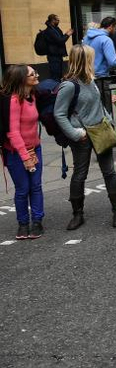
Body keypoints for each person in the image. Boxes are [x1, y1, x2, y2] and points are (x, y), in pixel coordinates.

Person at [54, 44, 116, 230]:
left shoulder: (90, 80)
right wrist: (76, 134)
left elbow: (99, 105)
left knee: (109, 172)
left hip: (101, 131)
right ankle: (77, 214)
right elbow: (59, 114)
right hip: (83, 137)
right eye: (91, 58)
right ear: (84, 60)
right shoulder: (69, 86)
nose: (94, 61)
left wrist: (109, 121)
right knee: (80, 174)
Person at [2, 65, 45, 239]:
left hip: (36, 148)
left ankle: (37, 222)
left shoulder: (33, 96)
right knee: (22, 189)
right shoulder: (14, 100)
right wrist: (26, 157)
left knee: (36, 186)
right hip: (16, 152)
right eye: (32, 74)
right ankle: (23, 223)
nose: (36, 75)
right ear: (22, 80)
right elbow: (13, 132)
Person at [40, 14, 72, 81]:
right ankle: (55, 89)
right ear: (52, 20)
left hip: (57, 55)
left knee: (59, 74)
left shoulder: (55, 29)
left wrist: (65, 35)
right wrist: (67, 35)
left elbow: (59, 39)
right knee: (55, 75)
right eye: (57, 20)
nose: (58, 21)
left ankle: (57, 88)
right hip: (53, 56)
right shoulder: (50, 30)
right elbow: (60, 41)